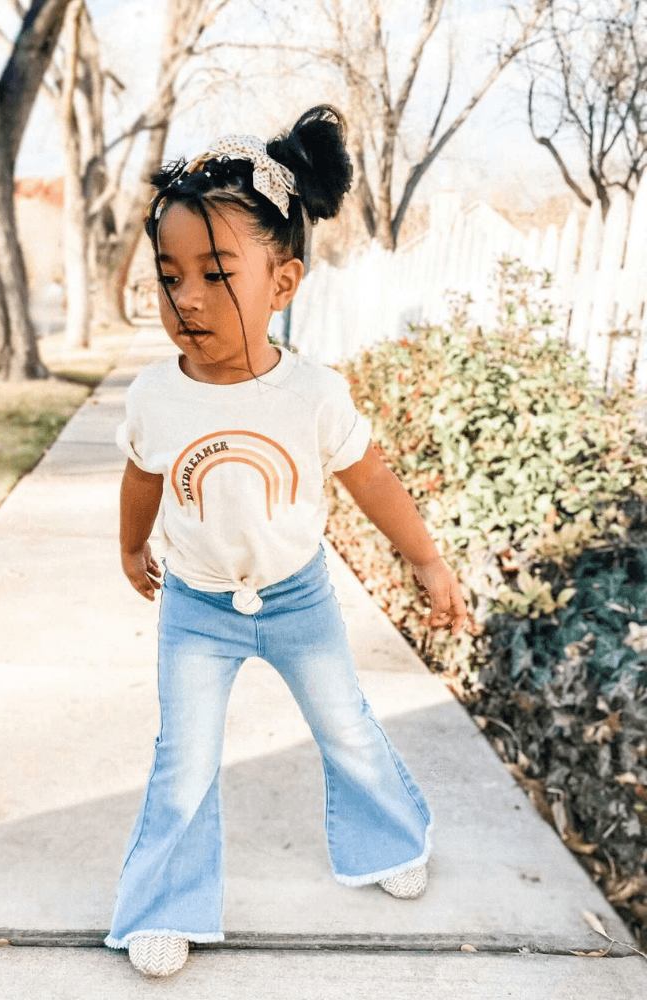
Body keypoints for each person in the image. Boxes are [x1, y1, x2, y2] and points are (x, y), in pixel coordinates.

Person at [103, 104, 467, 978]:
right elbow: (143, 474)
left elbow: (371, 477)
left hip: (298, 597)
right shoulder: (157, 394)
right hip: (197, 607)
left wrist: (422, 556)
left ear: (285, 281)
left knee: (346, 725)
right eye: (169, 275)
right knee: (182, 761)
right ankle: (164, 903)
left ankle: (389, 839)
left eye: (216, 273)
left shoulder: (312, 392)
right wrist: (129, 546)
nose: (186, 297)